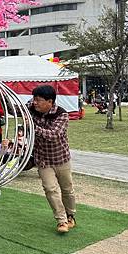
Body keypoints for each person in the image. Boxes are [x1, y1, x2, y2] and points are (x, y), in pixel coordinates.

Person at [29, 84, 76, 234]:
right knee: (50, 189)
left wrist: (32, 126)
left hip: (61, 159)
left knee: (67, 189)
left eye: (39, 100)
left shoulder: (62, 115)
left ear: (50, 102)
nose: (35, 102)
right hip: (43, 160)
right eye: (34, 99)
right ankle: (61, 220)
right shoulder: (31, 107)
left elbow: (53, 135)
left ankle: (70, 216)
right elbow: (13, 108)